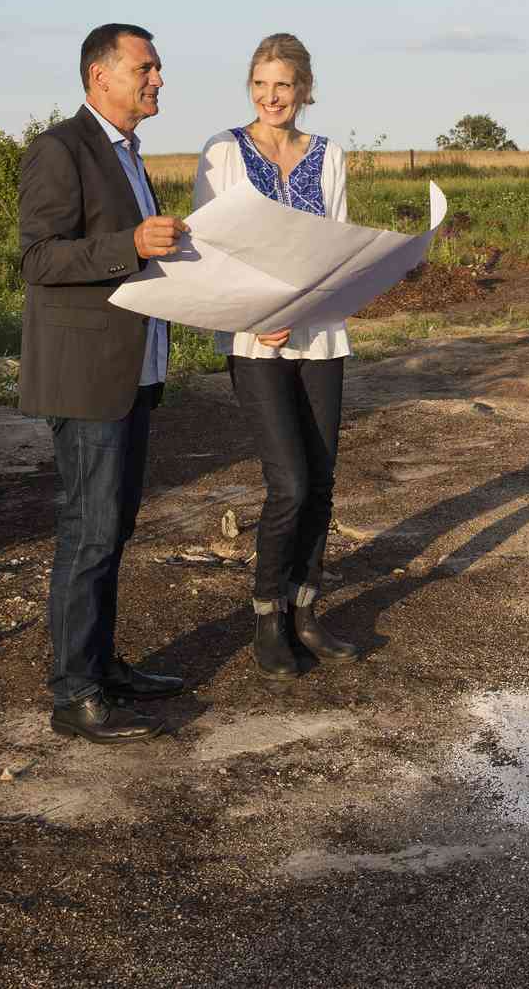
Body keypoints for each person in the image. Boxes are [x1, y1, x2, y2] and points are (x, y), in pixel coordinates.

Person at [18, 23, 190, 743]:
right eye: (145, 68)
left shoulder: (129, 154)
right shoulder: (59, 149)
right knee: (89, 530)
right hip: (85, 376)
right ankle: (74, 695)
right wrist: (130, 245)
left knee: (112, 528)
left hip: (131, 370)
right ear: (100, 77)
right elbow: (39, 259)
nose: (157, 80)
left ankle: (102, 666)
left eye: (156, 69)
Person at [192, 33, 362, 680]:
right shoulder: (223, 153)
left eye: (283, 85)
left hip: (319, 335)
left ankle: (306, 613)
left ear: (305, 90)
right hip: (252, 339)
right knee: (287, 482)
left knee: (319, 481)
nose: (271, 97)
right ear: (249, 88)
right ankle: (266, 616)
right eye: (260, 84)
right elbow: (206, 247)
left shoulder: (329, 157)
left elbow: (336, 248)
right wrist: (259, 308)